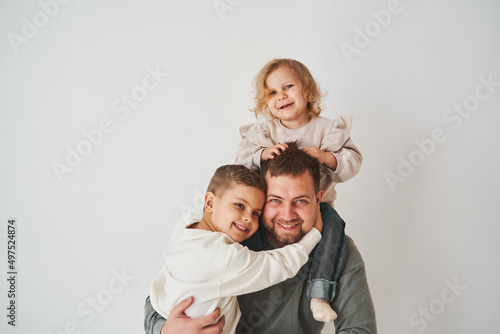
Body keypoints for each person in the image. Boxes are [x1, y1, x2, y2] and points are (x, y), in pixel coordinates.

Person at [144, 142, 376, 334]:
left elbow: (360, 329)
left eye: (301, 200)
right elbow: (158, 299)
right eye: (275, 200)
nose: (287, 215)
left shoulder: (337, 250)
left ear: (318, 199)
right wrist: (166, 331)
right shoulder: (230, 238)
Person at [234, 58, 363, 322]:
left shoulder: (328, 129)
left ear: (307, 90)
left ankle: (319, 291)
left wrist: (327, 157)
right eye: (272, 93)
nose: (280, 96)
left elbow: (352, 163)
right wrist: (262, 154)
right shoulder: (265, 133)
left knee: (334, 231)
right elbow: (240, 163)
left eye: (288, 87)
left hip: (320, 208)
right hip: (268, 211)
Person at [149, 164, 323, 334]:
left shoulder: (186, 227)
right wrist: (315, 232)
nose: (248, 218)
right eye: (239, 205)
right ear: (210, 203)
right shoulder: (223, 256)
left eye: (256, 213)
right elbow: (281, 264)